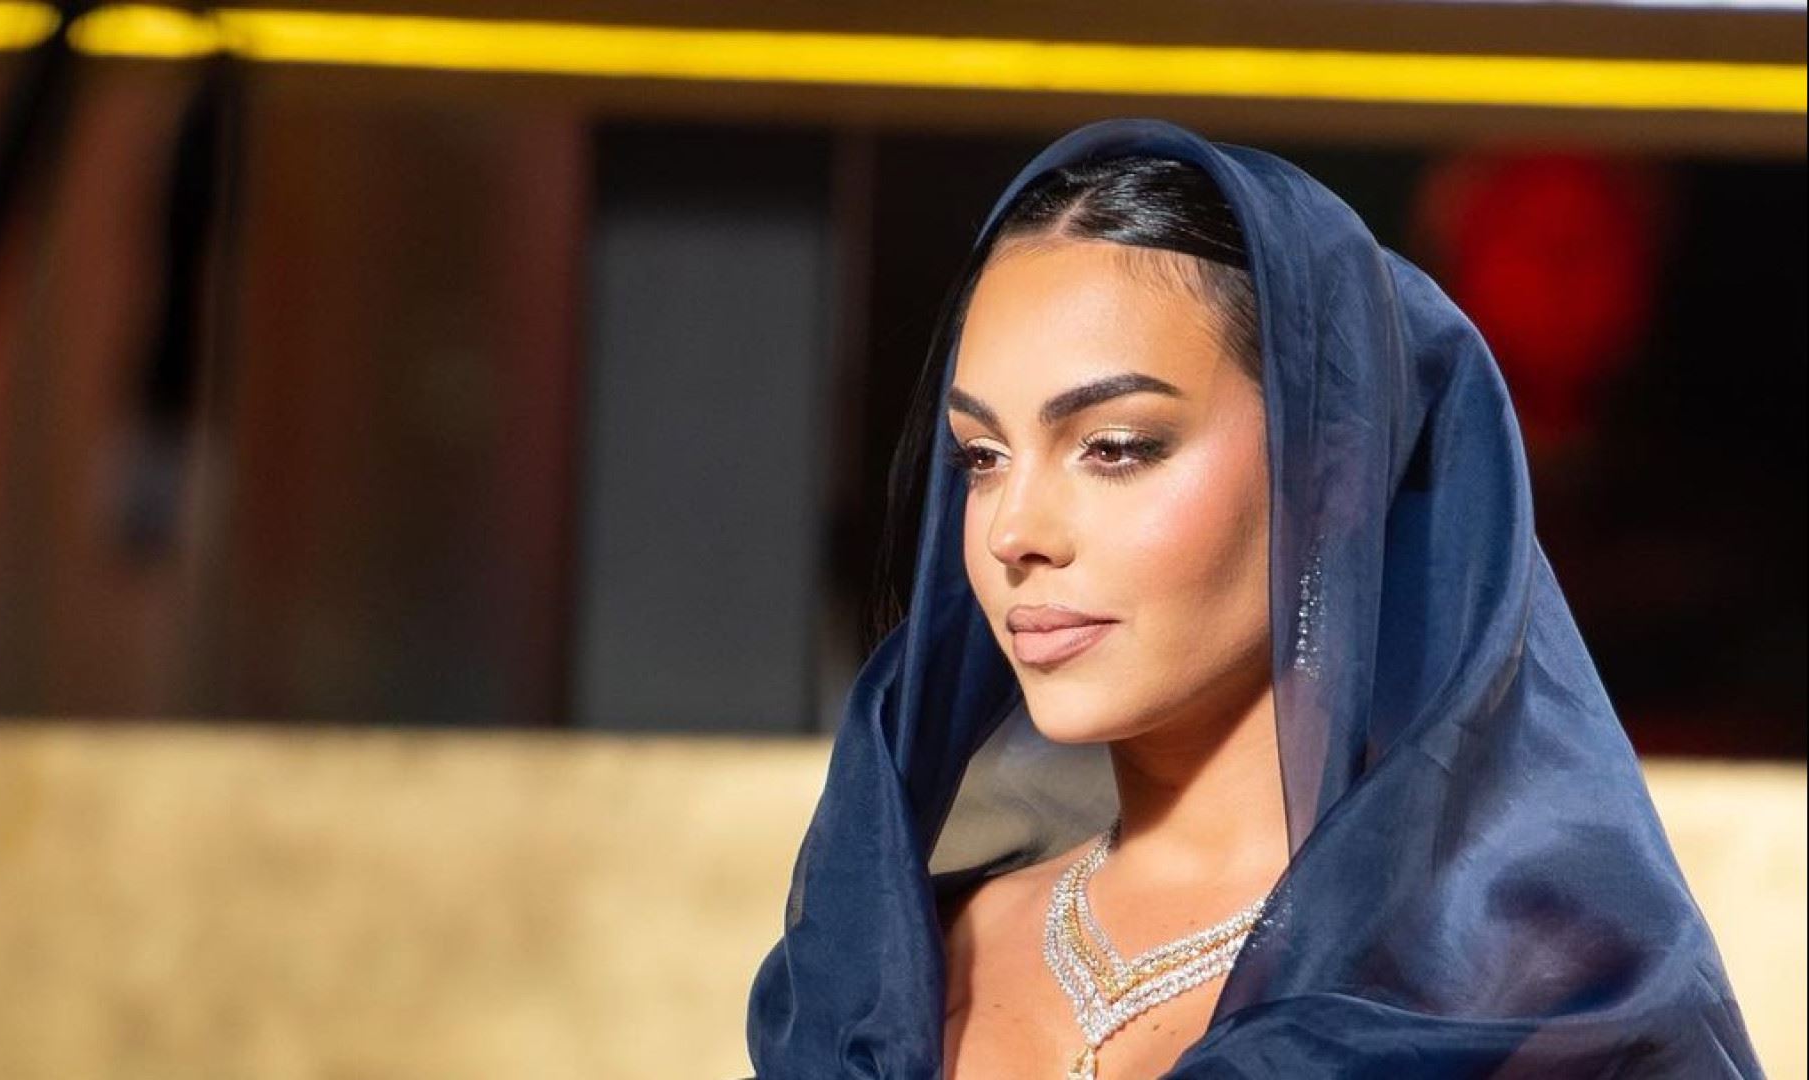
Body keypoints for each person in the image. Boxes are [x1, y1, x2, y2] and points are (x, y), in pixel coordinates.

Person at [745, 119, 1761, 1078]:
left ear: (1332, 474)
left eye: (1115, 447)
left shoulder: (1537, 1001)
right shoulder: (885, 977)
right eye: (981, 456)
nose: (1014, 532)